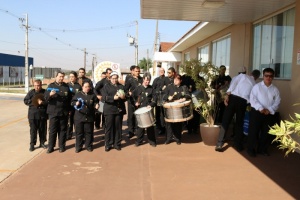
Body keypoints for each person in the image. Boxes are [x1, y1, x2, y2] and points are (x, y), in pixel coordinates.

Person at [215, 69, 261, 152]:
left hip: (233, 99)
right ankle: (238, 144)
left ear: (250, 73)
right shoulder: (255, 84)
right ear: (257, 77)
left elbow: (233, 83)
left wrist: (227, 95)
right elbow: (253, 97)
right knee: (239, 123)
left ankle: (219, 143)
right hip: (243, 102)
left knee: (226, 121)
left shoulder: (243, 76)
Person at [247, 68, 281, 157]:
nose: (268, 78)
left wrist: (269, 110)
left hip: (269, 114)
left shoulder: (275, 90)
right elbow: (253, 99)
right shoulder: (257, 87)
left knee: (266, 133)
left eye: (270, 76)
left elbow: (277, 102)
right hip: (257, 112)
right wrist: (261, 108)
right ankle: (251, 149)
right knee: (253, 132)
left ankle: (262, 149)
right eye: (266, 75)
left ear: (273, 77)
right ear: (263, 76)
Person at [44, 71, 72, 153]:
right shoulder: (51, 86)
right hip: (53, 112)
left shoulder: (66, 87)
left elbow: (69, 99)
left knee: (63, 130)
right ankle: (51, 147)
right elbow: (45, 98)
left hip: (63, 112)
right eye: (60, 76)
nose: (61, 78)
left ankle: (62, 146)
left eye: (63, 77)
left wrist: (69, 110)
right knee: (52, 130)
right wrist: (50, 95)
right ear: (56, 76)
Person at [101, 71, 127, 151]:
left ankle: (117, 144)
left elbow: (126, 97)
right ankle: (108, 144)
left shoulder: (121, 86)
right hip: (109, 110)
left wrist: (123, 98)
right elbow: (103, 98)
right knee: (109, 127)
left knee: (118, 127)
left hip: (119, 110)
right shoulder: (106, 87)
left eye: (116, 78)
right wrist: (113, 98)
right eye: (113, 78)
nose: (114, 80)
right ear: (110, 78)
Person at [71, 81, 99, 153]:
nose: (87, 88)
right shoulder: (78, 94)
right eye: (86, 87)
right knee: (79, 133)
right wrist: (76, 103)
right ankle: (78, 147)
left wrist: (96, 105)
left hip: (89, 117)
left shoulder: (92, 95)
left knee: (89, 132)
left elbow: (96, 101)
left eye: (88, 87)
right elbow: (72, 102)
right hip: (79, 117)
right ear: (82, 87)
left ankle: (88, 146)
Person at [163, 74, 191, 145]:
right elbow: (163, 95)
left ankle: (178, 138)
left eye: (177, 79)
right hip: (170, 107)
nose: (175, 81)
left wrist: (184, 98)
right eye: (174, 79)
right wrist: (168, 97)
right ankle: (168, 138)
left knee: (178, 124)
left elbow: (188, 95)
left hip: (178, 108)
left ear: (180, 81)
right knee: (169, 124)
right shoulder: (169, 87)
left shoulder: (183, 87)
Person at [132, 72, 157, 147]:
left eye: (149, 81)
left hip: (148, 109)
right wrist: (135, 102)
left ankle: (152, 141)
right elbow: (132, 97)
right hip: (140, 109)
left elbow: (155, 98)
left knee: (150, 126)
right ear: (143, 79)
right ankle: (139, 141)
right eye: (146, 80)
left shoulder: (151, 88)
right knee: (140, 127)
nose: (147, 82)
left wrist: (151, 105)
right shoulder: (138, 88)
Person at [23, 79, 47, 151]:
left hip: (42, 114)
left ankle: (42, 143)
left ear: (41, 85)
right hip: (32, 115)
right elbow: (25, 101)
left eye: (38, 85)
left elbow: (48, 102)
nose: (37, 87)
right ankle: (32, 144)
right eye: (35, 85)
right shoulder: (31, 92)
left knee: (42, 129)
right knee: (33, 130)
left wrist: (42, 102)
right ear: (34, 85)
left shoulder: (45, 92)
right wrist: (33, 101)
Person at [124, 65, 143, 138]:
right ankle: (130, 131)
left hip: (139, 100)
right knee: (131, 116)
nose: (138, 72)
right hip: (131, 100)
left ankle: (137, 130)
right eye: (136, 71)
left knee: (138, 115)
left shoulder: (141, 79)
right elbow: (125, 89)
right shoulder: (129, 79)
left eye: (139, 71)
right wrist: (128, 93)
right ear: (133, 71)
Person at [67, 71, 82, 140]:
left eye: (73, 76)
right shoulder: (67, 85)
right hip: (69, 106)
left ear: (76, 77)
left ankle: (78, 134)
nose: (71, 78)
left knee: (76, 120)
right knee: (69, 121)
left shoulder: (78, 86)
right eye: (70, 77)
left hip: (76, 106)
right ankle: (69, 134)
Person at [152, 67, 167, 135]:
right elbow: (153, 89)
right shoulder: (156, 80)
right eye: (160, 71)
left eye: (162, 71)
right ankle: (159, 128)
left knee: (164, 114)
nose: (161, 72)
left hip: (164, 100)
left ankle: (165, 128)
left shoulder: (167, 79)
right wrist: (160, 89)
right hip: (157, 100)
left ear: (164, 71)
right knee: (158, 114)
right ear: (158, 72)